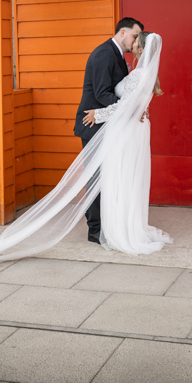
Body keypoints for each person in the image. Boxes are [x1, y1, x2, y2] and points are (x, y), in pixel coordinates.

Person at [0, 29, 170, 300]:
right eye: (133, 37)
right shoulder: (146, 75)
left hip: (126, 133)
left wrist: (97, 114)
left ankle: (118, 229)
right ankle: (124, 226)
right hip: (137, 131)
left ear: (142, 48)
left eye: (137, 41)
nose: (134, 44)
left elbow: (124, 106)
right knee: (123, 181)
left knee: (118, 181)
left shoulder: (137, 75)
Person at [74, 17, 142, 244]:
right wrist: (131, 108)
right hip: (93, 125)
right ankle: (94, 229)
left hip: (108, 125)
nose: (135, 41)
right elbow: (102, 93)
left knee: (107, 176)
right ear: (122, 33)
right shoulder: (105, 54)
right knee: (96, 178)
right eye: (134, 35)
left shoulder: (118, 55)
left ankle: (106, 222)